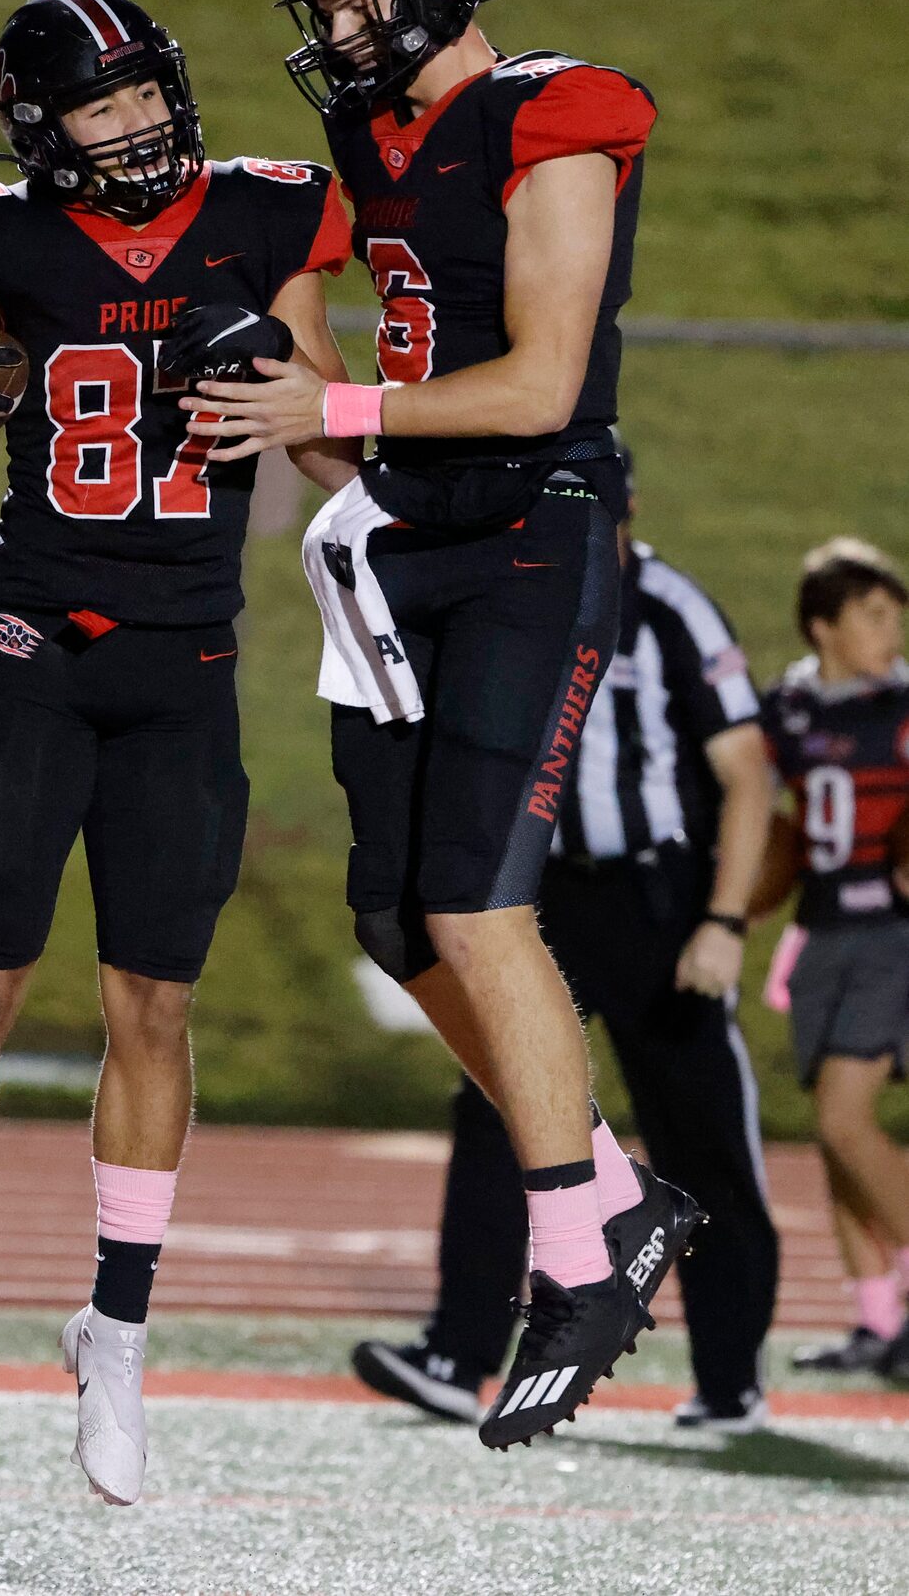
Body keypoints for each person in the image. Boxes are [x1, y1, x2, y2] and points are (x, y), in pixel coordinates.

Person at [0, 0, 354, 1503]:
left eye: (149, 90)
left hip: (189, 651)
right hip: (35, 639)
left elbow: (324, 433)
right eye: (103, 106)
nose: (141, 122)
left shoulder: (267, 211)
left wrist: (306, 395)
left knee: (154, 1009)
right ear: (46, 133)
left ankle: (116, 1329)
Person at [184, 0, 701, 1450]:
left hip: (536, 527)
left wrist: (327, 411)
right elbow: (345, 362)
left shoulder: (556, 112)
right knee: (400, 914)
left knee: (479, 901)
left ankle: (579, 1252)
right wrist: (289, 364)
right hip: (415, 532)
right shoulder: (366, 131)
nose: (334, 30)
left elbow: (543, 383)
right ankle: (617, 1198)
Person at [351, 439, 780, 1433]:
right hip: (537, 894)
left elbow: (747, 772)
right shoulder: (518, 580)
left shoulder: (668, 606)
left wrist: (721, 919)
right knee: (502, 1098)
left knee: (700, 1124)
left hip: (655, 895)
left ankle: (727, 1375)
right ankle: (460, 1352)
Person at [758, 539, 909, 1380]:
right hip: (819, 929)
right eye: (874, 616)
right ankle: (876, 1320)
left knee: (846, 1123)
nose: (892, 632)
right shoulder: (784, 709)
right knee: (836, 1139)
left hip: (893, 931)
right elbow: (748, 800)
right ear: (824, 626)